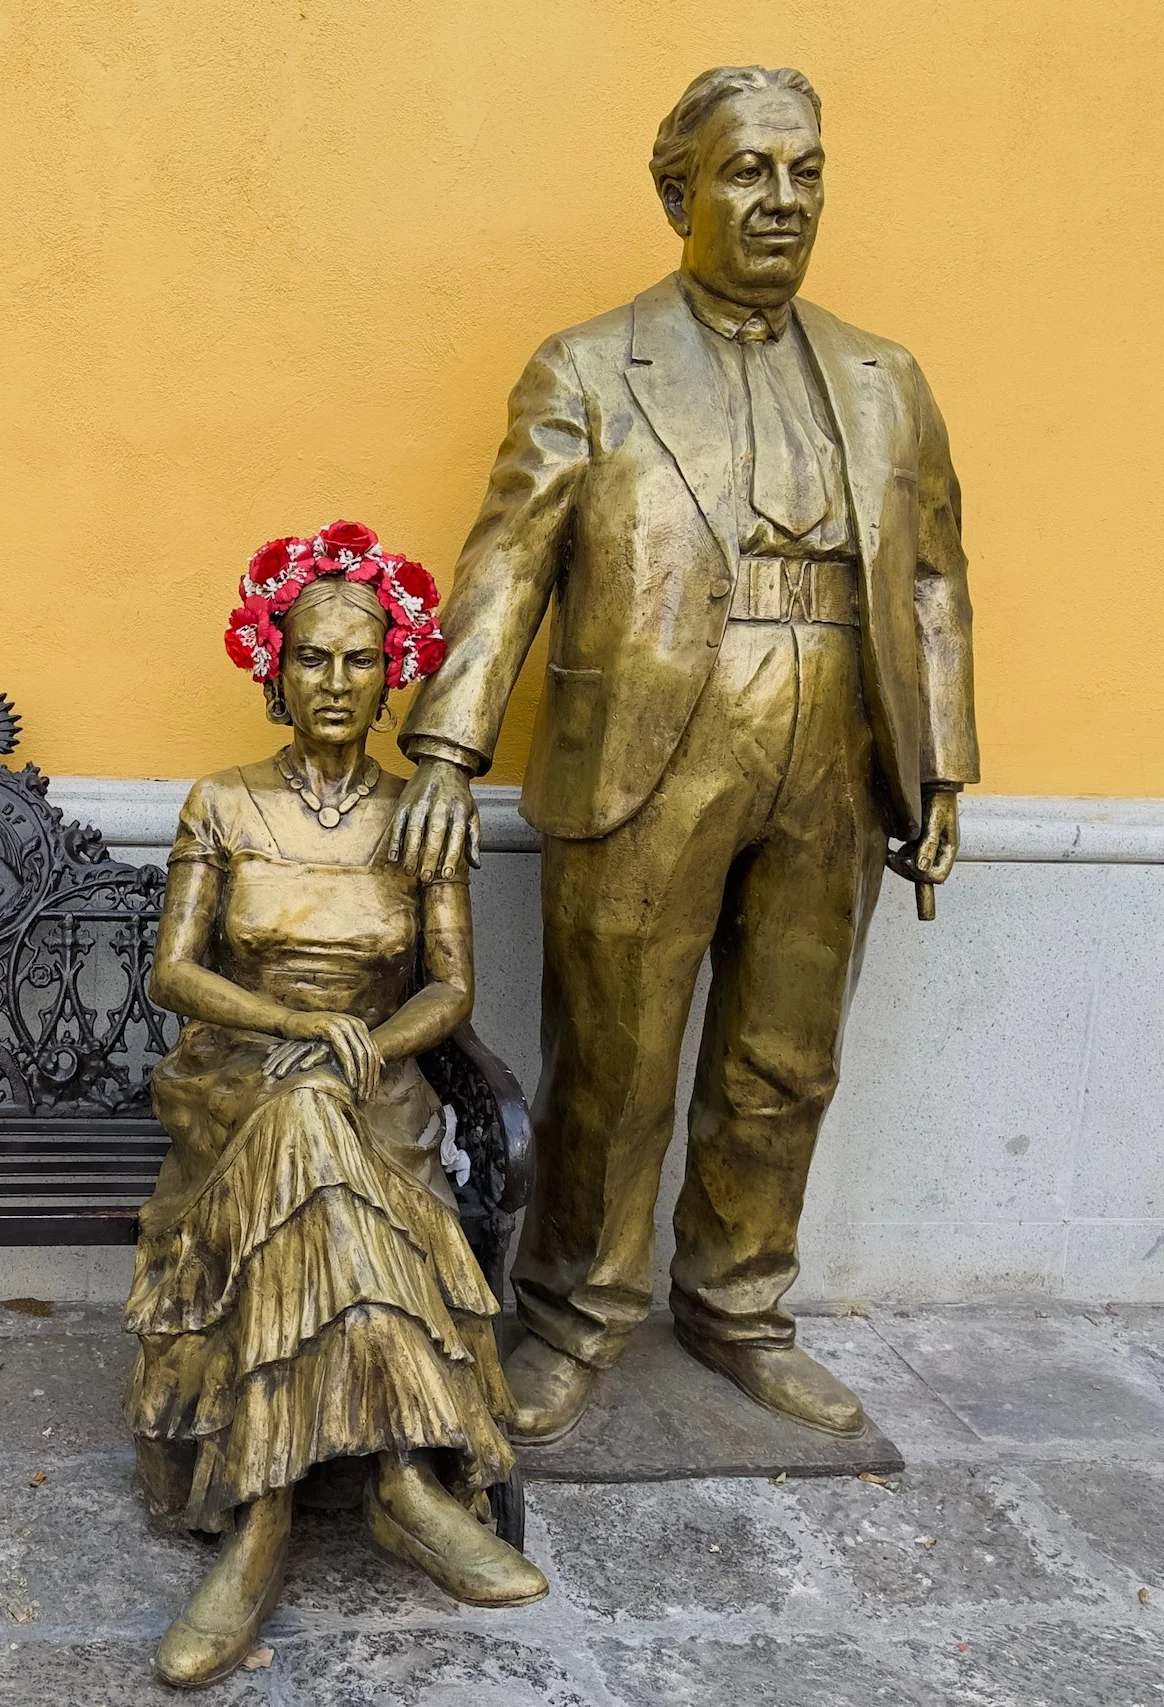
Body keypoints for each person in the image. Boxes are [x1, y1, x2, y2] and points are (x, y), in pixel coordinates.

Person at [390, 66, 978, 1443]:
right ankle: (576, 1311)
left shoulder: (890, 378)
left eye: (805, 172)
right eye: (747, 171)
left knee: (786, 1054)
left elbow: (938, 576)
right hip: (651, 742)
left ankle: (739, 1304)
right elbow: (509, 563)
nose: (781, 200)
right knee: (615, 1052)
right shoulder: (590, 365)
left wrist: (940, 763)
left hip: (838, 732)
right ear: (681, 193)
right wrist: (445, 749)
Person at [127, 521, 545, 1690]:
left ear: (391, 673)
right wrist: (295, 1030)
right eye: (309, 658)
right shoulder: (221, 801)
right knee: (299, 1116)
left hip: (370, 1081)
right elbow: (174, 973)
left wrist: (356, 1047)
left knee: (319, 1122)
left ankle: (286, 1511)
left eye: (357, 662)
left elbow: (450, 989)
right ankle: (368, 1495)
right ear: (273, 667)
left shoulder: (423, 815)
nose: (333, 682)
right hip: (234, 1075)